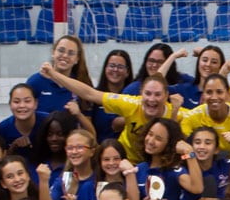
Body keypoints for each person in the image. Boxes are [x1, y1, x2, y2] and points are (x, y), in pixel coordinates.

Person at [37, 62, 181, 164]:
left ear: (166, 95)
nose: (152, 99)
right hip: (125, 161)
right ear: (140, 94)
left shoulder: (178, 113)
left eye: (157, 95)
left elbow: (202, 118)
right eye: (148, 94)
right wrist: (54, 74)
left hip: (157, 165)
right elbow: (90, 94)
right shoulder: (130, 104)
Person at [179, 73, 230, 154]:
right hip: (201, 163)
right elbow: (183, 156)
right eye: (209, 92)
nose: (214, 97)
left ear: (228, 93)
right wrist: (191, 156)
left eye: (219, 92)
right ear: (203, 94)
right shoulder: (190, 117)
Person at [25, 34, 93, 112]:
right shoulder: (36, 81)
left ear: (77, 59)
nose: (65, 55)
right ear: (53, 52)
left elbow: (88, 121)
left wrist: (78, 115)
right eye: (61, 50)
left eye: (71, 53)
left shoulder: (80, 84)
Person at [160, 45, 230, 108]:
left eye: (214, 62)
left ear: (220, 66)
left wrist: (223, 74)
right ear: (198, 63)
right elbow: (155, 83)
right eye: (204, 60)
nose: (208, 64)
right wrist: (173, 56)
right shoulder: (185, 89)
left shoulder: (223, 93)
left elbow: (227, 111)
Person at [89, 49, 134, 142]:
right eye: (112, 66)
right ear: (105, 68)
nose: (115, 70)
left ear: (127, 72)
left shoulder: (132, 97)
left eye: (120, 67)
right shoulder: (94, 97)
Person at [0, 84, 50, 160]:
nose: (22, 105)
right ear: (10, 104)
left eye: (27, 101)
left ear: (35, 103)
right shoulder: (2, 129)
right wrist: (12, 148)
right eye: (16, 101)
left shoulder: (49, 121)